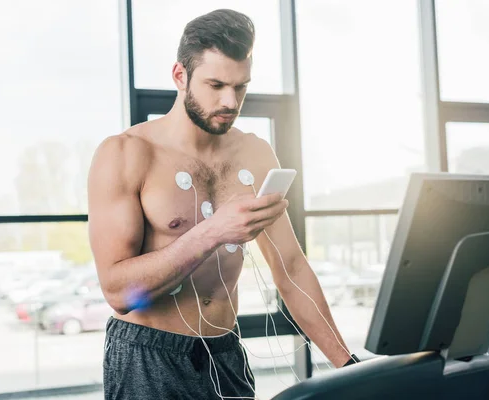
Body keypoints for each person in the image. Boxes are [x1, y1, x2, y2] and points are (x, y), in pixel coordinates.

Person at [88, 8, 356, 400]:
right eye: (215, 84)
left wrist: (348, 368)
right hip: (147, 355)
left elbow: (292, 269)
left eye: (241, 87)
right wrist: (213, 231)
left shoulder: (256, 153)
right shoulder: (126, 154)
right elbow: (118, 293)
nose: (230, 101)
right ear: (180, 76)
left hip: (225, 352)